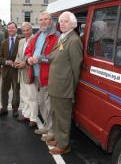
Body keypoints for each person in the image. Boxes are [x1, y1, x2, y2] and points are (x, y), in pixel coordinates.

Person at [46, 11, 83, 155]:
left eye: (65, 21)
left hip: (64, 87)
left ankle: (64, 145)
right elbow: (54, 57)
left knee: (63, 117)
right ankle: (58, 138)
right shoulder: (63, 37)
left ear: (73, 24)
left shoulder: (74, 40)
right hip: (56, 85)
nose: (62, 23)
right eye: (60, 21)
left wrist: (71, 90)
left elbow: (75, 68)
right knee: (56, 114)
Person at [25, 12, 60, 141]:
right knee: (41, 102)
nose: (43, 21)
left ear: (51, 21)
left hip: (47, 75)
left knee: (49, 104)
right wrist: (29, 58)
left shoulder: (56, 36)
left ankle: (52, 130)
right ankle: (46, 125)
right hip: (35, 74)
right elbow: (29, 49)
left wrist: (38, 59)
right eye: (41, 19)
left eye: (46, 19)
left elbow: (54, 57)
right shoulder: (38, 34)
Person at [14, 22, 38, 127]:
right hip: (21, 72)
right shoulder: (21, 41)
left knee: (32, 96)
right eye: (23, 30)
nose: (25, 32)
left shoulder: (36, 40)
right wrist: (16, 62)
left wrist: (25, 63)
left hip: (30, 72)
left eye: (27, 30)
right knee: (24, 96)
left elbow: (36, 56)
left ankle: (33, 118)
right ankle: (27, 114)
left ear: (31, 29)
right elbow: (19, 55)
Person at [0, 22, 20, 117]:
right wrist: (5, 61)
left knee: (16, 90)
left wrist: (17, 62)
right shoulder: (4, 42)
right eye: (9, 28)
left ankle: (15, 109)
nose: (11, 29)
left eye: (12, 28)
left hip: (16, 70)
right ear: (7, 29)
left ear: (16, 29)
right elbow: (0, 57)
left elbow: (23, 56)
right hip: (6, 70)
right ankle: (4, 108)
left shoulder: (21, 41)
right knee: (4, 91)